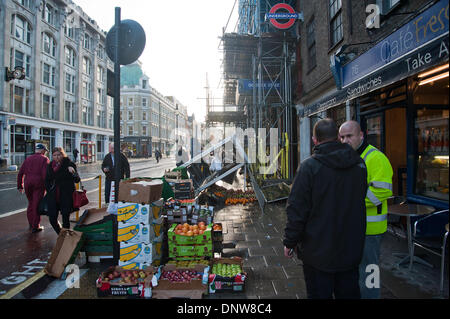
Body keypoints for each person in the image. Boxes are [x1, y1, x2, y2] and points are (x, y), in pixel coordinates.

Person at [283, 118, 368, 299]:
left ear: (315, 140)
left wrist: (290, 241)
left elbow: (297, 210)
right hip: (350, 250)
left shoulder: (309, 167)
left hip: (317, 254)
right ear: (338, 137)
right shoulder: (360, 165)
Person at [339, 120, 393, 299]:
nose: (345, 140)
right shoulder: (349, 156)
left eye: (349, 136)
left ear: (361, 135)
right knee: (357, 272)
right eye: (342, 137)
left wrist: (351, 198)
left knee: (370, 273)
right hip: (354, 228)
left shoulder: (376, 157)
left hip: (370, 230)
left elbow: (382, 191)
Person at [45, 147, 80, 234]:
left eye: (59, 155)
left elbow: (77, 180)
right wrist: (48, 189)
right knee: (52, 218)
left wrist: (73, 172)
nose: (57, 157)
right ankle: (60, 233)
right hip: (53, 195)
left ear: (62, 154)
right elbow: (47, 180)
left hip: (65, 194)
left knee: (65, 218)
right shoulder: (50, 165)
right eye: (54, 155)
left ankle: (66, 238)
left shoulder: (69, 164)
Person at [17, 143, 50, 233]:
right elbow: (45, 175)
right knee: (36, 204)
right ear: (43, 150)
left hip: (28, 183)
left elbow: (20, 173)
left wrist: (20, 186)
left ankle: (31, 223)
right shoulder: (44, 159)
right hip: (38, 184)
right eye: (45, 151)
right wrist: (48, 187)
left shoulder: (28, 159)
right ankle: (36, 225)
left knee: (31, 203)